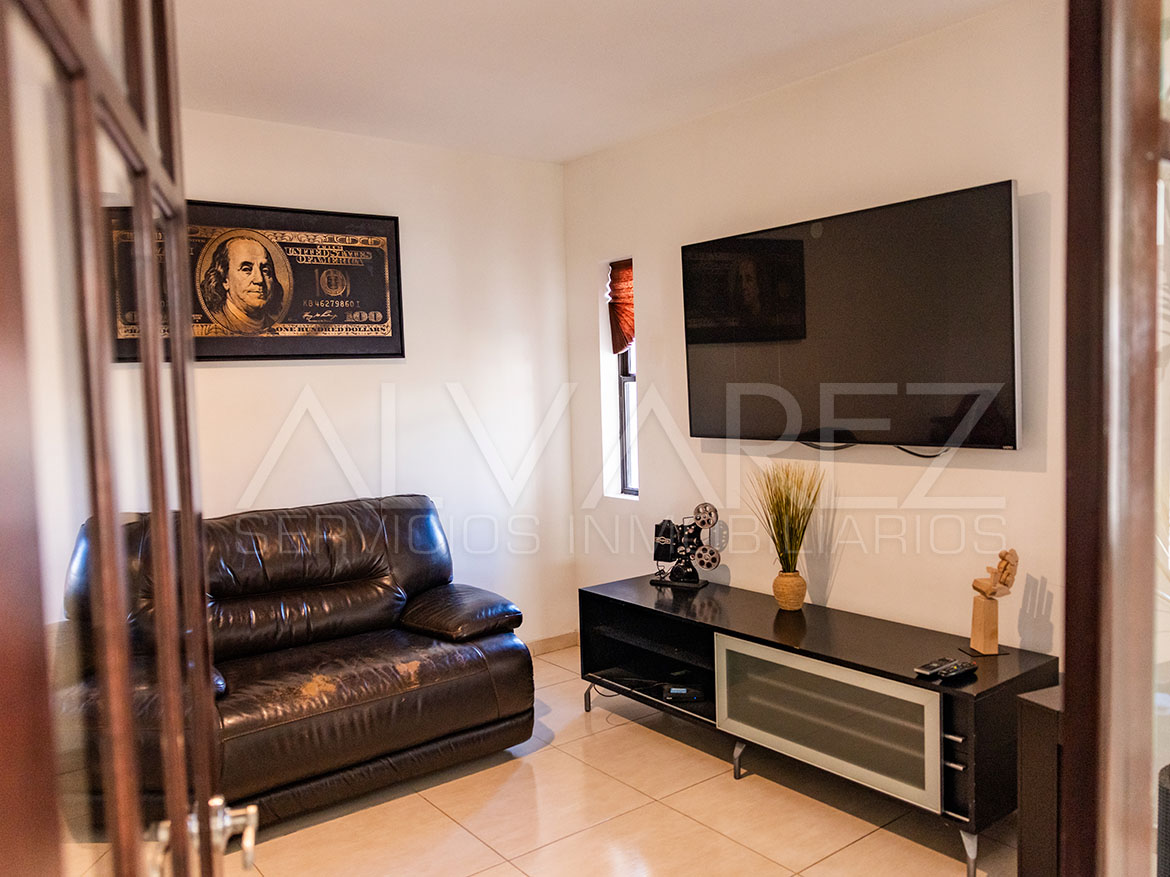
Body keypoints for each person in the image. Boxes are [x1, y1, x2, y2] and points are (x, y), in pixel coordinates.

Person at [199, 234, 286, 334]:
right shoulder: (216, 323)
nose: (260, 280)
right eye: (246, 269)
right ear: (224, 280)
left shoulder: (275, 325)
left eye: (265, 270)